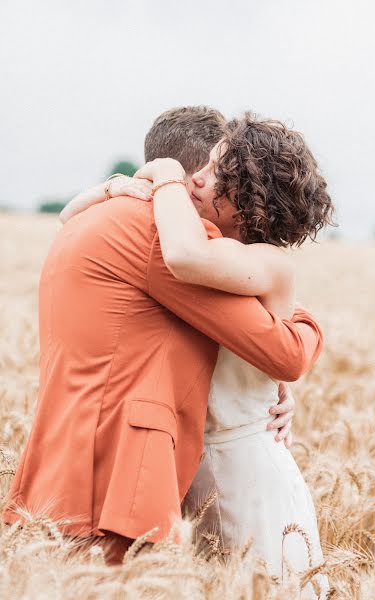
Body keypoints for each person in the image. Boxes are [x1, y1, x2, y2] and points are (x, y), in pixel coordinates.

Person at [2, 107, 323, 570]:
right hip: (115, 471)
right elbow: (283, 349)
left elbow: (251, 342)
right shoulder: (161, 238)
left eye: (221, 171)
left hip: (77, 459)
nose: (199, 182)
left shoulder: (110, 217)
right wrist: (306, 328)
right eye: (206, 169)